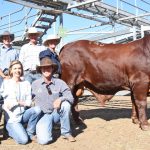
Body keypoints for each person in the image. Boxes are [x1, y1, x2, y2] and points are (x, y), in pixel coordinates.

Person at [32, 57, 76, 145]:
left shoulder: (60, 82)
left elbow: (70, 97)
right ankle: (44, 127)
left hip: (56, 113)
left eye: (48, 67)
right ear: (40, 69)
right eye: (43, 67)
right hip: (43, 115)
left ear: (52, 69)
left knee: (66, 105)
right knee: (44, 141)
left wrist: (60, 99)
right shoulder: (35, 84)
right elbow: (29, 99)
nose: (46, 69)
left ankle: (66, 132)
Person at [0, 60, 41, 144]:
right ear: (11, 70)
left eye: (19, 68)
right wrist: (20, 102)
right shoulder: (6, 83)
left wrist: (17, 102)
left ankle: (30, 133)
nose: (17, 70)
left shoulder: (26, 83)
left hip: (23, 115)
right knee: (24, 140)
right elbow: (7, 104)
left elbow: (29, 102)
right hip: (13, 119)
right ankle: (9, 129)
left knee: (37, 109)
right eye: (15, 68)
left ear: (22, 70)